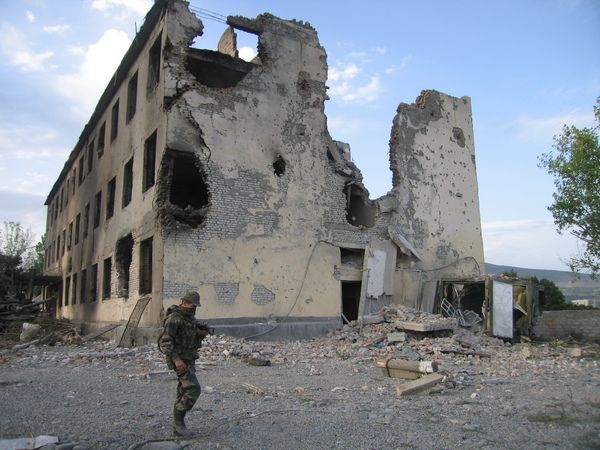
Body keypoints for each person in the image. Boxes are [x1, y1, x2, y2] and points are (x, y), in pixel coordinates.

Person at [158, 290, 210, 436]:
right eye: (192, 305)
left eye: (195, 306)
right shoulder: (174, 319)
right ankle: (178, 422)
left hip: (189, 357)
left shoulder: (189, 319)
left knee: (183, 389)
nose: (194, 309)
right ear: (184, 302)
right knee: (193, 389)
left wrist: (201, 334)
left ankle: (178, 426)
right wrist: (176, 360)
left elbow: (190, 337)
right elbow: (166, 342)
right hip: (180, 360)